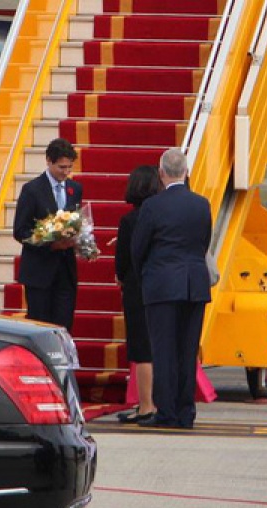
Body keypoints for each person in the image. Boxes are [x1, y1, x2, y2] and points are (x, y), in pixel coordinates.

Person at [130, 148, 212, 429]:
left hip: (162, 283)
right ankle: (186, 411)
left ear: (161, 173)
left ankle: (166, 412)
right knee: (187, 351)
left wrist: (146, 276)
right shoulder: (202, 204)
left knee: (163, 350)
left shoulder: (152, 206)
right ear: (186, 172)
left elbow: (138, 248)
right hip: (194, 283)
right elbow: (203, 243)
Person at [13, 138, 83, 331]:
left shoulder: (74, 189)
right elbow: (20, 230)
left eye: (69, 167)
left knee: (64, 325)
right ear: (49, 161)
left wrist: (78, 239)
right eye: (62, 167)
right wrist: (50, 243)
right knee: (40, 324)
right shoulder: (32, 190)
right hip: (39, 270)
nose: (66, 172)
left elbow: (76, 220)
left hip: (65, 269)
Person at [115, 165, 162, 423]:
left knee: (142, 349)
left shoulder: (130, 220)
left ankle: (145, 405)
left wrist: (121, 276)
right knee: (159, 346)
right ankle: (159, 402)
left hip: (137, 286)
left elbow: (122, 260)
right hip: (162, 285)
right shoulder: (163, 215)